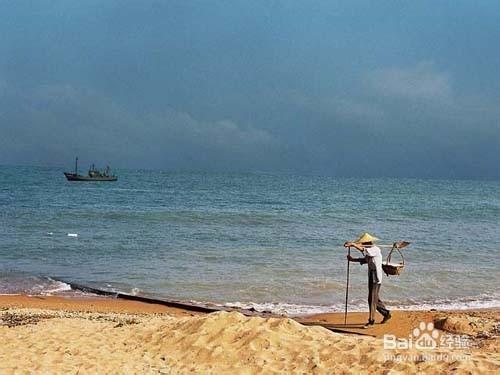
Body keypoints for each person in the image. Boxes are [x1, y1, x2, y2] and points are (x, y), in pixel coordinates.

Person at [344, 232, 391, 328]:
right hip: (371, 275)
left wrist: (353, 244)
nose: (362, 244)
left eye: (363, 242)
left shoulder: (375, 249)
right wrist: (352, 260)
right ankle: (386, 314)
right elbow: (365, 260)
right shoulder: (369, 250)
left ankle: (371, 321)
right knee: (375, 299)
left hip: (376, 277)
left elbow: (364, 250)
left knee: (371, 299)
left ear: (368, 242)